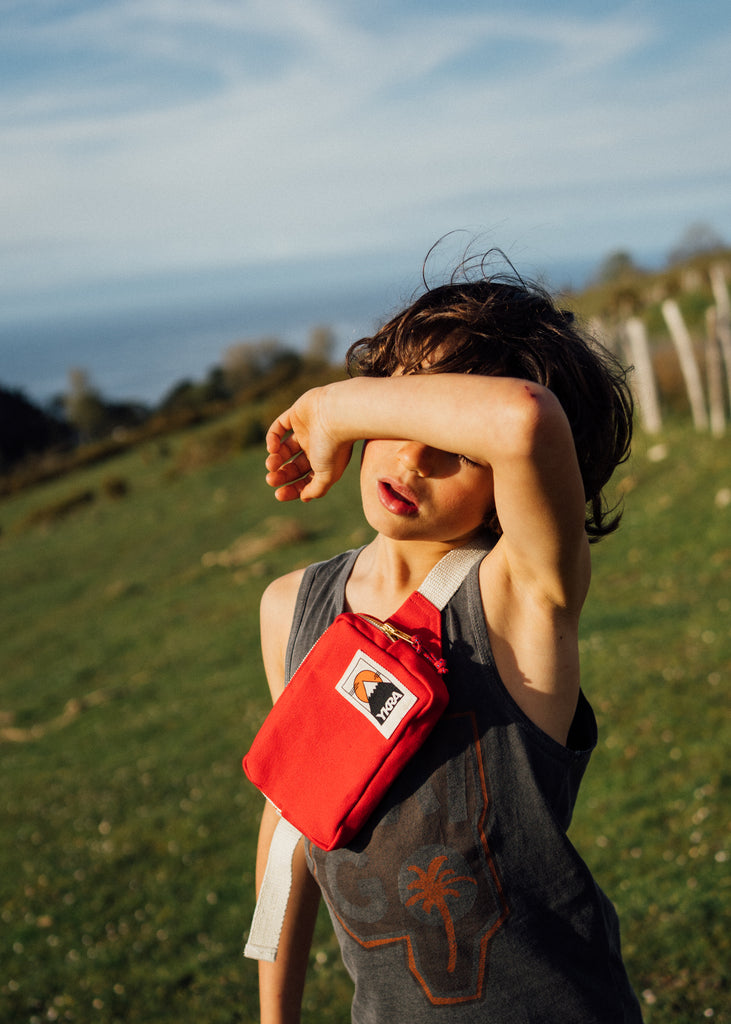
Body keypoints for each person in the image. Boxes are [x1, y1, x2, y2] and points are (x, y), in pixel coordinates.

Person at [251, 252, 643, 1023]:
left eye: (453, 445)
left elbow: (525, 419)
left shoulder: (519, 597)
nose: (413, 456)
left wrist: (339, 405)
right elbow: (288, 821)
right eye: (397, 419)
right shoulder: (289, 607)